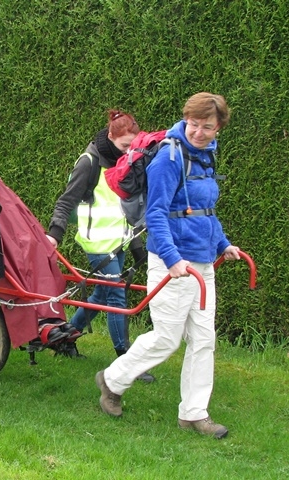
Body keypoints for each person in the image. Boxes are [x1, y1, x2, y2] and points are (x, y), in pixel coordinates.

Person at [95, 92, 241, 439]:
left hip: (203, 261)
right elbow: (156, 214)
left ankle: (194, 414)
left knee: (204, 338)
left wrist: (223, 244)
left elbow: (205, 210)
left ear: (219, 128)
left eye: (208, 126)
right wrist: (172, 259)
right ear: (186, 119)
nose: (199, 132)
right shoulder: (169, 157)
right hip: (172, 260)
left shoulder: (206, 156)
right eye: (194, 124)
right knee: (166, 337)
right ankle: (112, 380)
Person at [46, 110, 154, 382]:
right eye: (124, 146)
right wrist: (55, 234)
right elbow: (65, 201)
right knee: (116, 298)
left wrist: (137, 244)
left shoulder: (127, 163)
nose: (129, 152)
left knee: (103, 297)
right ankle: (126, 361)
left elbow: (128, 207)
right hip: (96, 243)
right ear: (110, 136)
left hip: (118, 242)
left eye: (133, 146)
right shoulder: (89, 162)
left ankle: (64, 338)